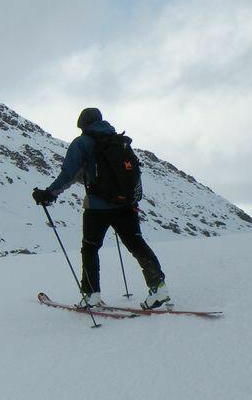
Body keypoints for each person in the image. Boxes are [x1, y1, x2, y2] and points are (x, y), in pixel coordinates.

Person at [32, 107, 171, 310]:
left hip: (97, 207)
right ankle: (158, 287)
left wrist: (49, 194)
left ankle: (92, 294)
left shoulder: (82, 143)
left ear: (83, 125)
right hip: (126, 205)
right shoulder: (119, 142)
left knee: (90, 248)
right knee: (136, 244)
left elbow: (69, 174)